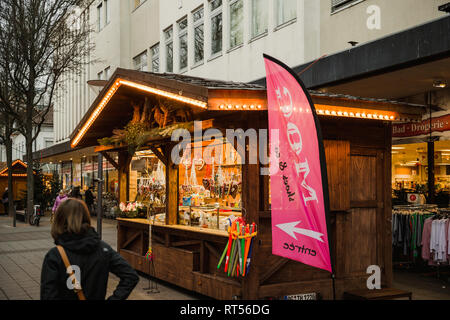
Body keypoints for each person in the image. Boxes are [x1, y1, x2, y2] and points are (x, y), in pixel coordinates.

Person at [40, 198, 139, 300]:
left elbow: (47, 295)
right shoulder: (103, 249)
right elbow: (131, 276)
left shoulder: (55, 256)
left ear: (59, 221)